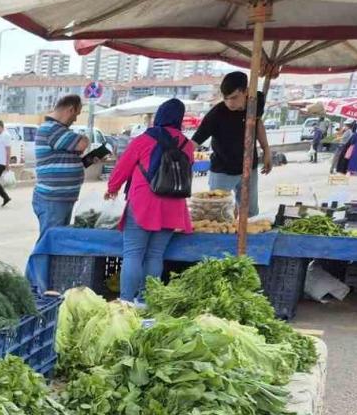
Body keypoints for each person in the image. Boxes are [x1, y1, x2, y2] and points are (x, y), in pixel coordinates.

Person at [105, 98, 194, 304]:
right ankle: (145, 302)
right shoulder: (187, 145)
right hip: (173, 205)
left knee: (133, 254)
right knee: (155, 255)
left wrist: (112, 189)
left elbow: (122, 167)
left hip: (144, 203)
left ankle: (126, 302)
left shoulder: (145, 139)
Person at [192, 71, 272, 218]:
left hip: (249, 168)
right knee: (217, 214)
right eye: (226, 98)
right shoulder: (216, 114)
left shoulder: (257, 100)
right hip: (222, 170)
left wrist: (266, 150)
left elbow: (258, 122)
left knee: (251, 213)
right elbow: (194, 142)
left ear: (246, 92)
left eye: (234, 98)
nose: (230, 103)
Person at [32, 95, 90, 241]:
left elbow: (69, 161)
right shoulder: (52, 129)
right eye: (76, 114)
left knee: (57, 242)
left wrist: (92, 158)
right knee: (50, 243)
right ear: (70, 109)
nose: (75, 119)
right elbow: (83, 143)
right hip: (53, 199)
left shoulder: (60, 132)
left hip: (61, 198)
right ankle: (40, 265)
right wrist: (84, 138)